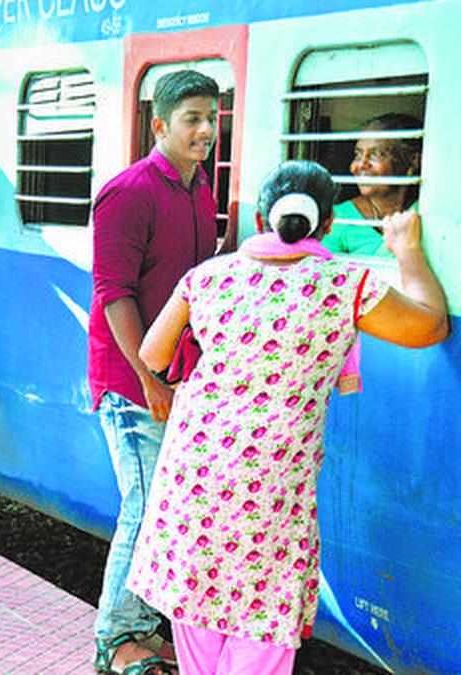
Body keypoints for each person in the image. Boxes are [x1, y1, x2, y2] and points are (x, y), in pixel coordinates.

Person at [127, 160, 448, 674]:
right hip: (270, 494)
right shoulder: (348, 285)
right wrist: (408, 252)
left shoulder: (207, 276)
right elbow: (428, 327)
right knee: (260, 623)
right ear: (327, 226)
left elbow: (152, 354)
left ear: (261, 217)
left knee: (199, 619)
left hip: (193, 479)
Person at [87, 69, 237, 674]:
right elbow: (113, 293)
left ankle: (145, 628)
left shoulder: (199, 187)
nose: (205, 131)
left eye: (212, 119)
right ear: (160, 126)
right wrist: (147, 378)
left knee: (171, 508)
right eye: (192, 119)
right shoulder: (130, 192)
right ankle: (117, 639)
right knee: (145, 507)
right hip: (132, 383)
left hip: (181, 379)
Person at [321, 113, 421, 258]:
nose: (359, 165)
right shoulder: (337, 220)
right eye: (358, 155)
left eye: (376, 154)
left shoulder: (427, 212)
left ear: (413, 161)